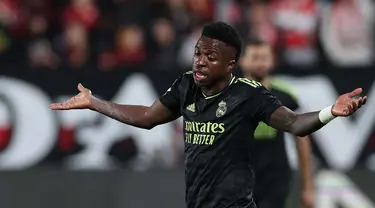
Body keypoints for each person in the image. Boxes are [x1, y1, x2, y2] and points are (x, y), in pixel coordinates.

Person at [50, 22, 367, 208]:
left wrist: (331, 112)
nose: (199, 61)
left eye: (210, 57)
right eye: (197, 53)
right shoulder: (186, 84)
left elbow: (295, 124)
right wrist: (95, 103)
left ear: (231, 65)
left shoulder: (248, 93)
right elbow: (147, 117)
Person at [239, 39, 314, 208]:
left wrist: (308, 187)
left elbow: (302, 140)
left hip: (274, 181)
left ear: (272, 60)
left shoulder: (284, 96)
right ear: (242, 60)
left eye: (265, 57)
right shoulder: (227, 96)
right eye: (255, 57)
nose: (260, 63)